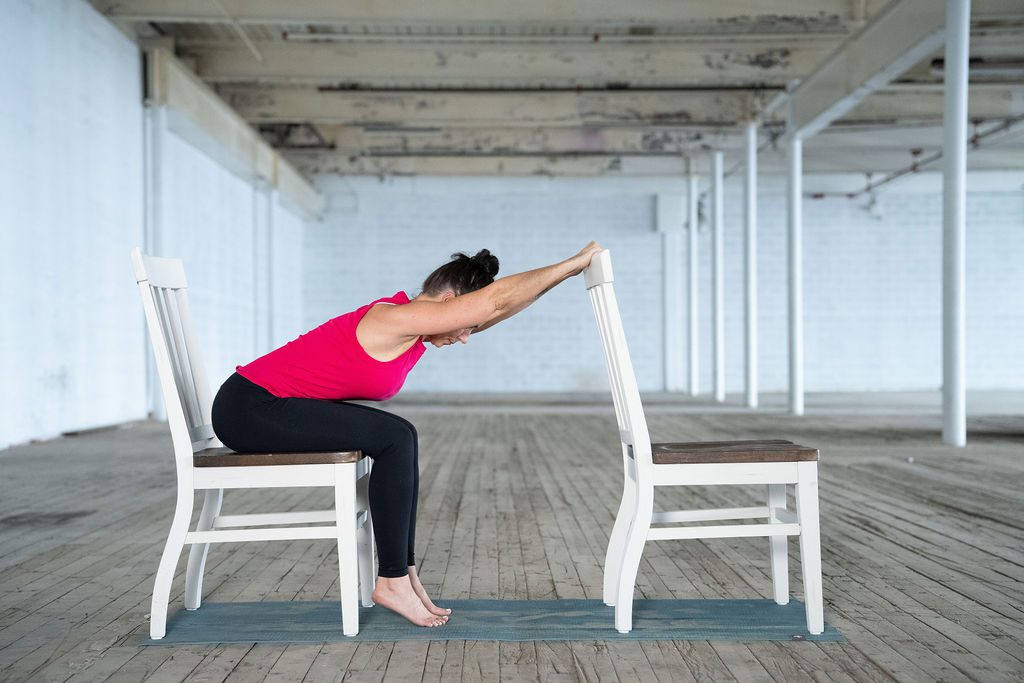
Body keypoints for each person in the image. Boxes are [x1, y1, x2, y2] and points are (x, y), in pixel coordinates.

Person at [211, 241, 604, 627]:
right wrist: (573, 261)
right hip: (248, 409)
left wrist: (566, 276)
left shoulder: (417, 332)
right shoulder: (395, 318)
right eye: (466, 325)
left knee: (401, 434)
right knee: (394, 437)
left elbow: (503, 307)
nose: (467, 337)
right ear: (448, 302)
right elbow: (496, 302)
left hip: (267, 406)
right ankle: (393, 579)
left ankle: (402, 572)